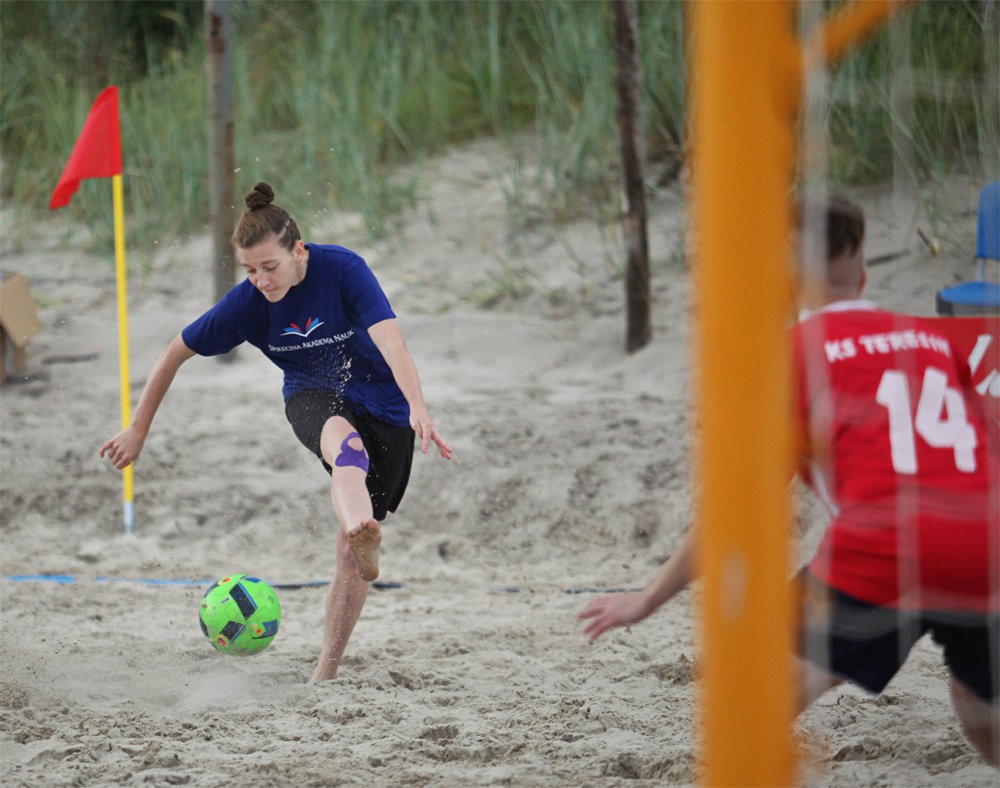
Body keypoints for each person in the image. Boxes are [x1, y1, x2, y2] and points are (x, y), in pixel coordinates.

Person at [578, 194, 999, 765]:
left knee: (751, 699)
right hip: (985, 544)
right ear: (865, 270)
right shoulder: (931, 341)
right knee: (980, 710)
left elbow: (740, 513)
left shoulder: (788, 356)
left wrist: (647, 599)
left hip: (885, 546)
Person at [100, 182, 451, 682]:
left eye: (270, 267)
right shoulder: (245, 305)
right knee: (346, 452)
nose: (261, 280)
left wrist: (417, 406)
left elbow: (391, 342)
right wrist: (137, 428)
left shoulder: (343, 270)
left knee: (348, 560)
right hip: (311, 394)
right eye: (249, 270)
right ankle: (358, 529)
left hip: (387, 406)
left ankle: (335, 631)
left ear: (298, 251)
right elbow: (172, 354)